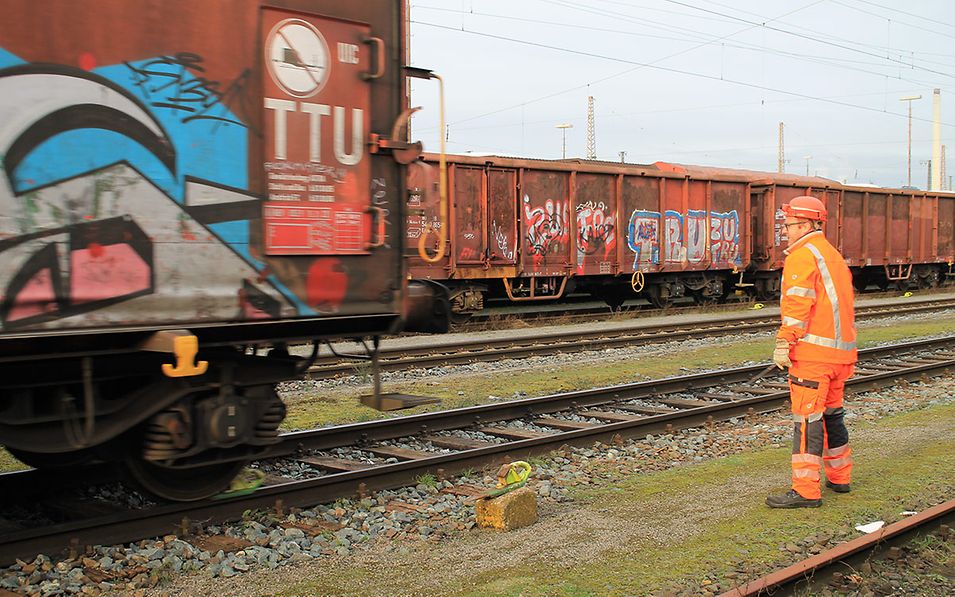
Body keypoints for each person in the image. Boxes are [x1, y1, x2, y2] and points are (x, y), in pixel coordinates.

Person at [766, 195, 857, 508]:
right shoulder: (831, 255)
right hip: (841, 355)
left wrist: (784, 342)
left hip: (813, 357)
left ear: (805, 224)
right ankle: (840, 476)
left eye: (789, 225)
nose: (786, 231)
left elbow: (797, 304)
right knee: (832, 415)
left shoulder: (803, 255)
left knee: (806, 420)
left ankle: (806, 490)